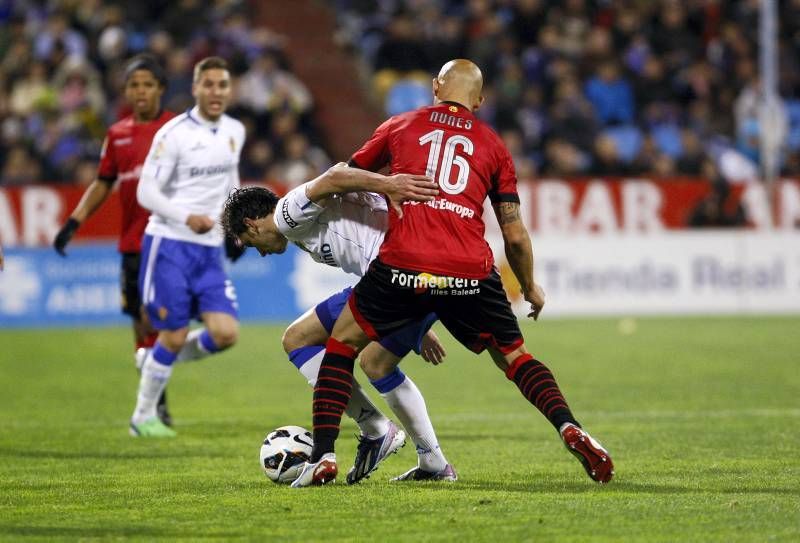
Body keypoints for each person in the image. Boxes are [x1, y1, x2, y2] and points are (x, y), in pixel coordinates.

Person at [292, 59, 614, 487]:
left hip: (403, 263)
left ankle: (324, 457)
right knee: (515, 358)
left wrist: (387, 185)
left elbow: (343, 176)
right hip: (470, 272)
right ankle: (569, 427)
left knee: (342, 344)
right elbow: (514, 236)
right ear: (479, 100)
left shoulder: (400, 125)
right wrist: (531, 286)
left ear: (435, 87)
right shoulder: (495, 146)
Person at [222, 165, 458, 483]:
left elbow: (336, 175)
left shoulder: (286, 213)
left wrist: (388, 184)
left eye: (252, 243)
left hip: (400, 273)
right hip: (397, 279)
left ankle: (385, 438)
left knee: (337, 351)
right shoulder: (299, 230)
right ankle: (415, 452)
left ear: (251, 224)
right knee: (333, 350)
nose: (261, 253)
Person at [53, 55, 176, 425]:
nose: (140, 91)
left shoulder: (178, 130)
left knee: (158, 320)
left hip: (170, 241)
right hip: (132, 245)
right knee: (141, 324)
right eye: (134, 85)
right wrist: (74, 221)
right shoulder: (118, 134)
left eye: (147, 84)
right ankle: (155, 405)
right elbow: (103, 181)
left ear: (160, 89)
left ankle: (154, 404)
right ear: (126, 91)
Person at [130, 56, 245, 437]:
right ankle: (142, 417)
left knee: (226, 333)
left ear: (230, 91)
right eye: (208, 84)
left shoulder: (234, 131)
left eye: (222, 85)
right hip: (170, 245)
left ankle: (155, 360)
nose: (216, 92)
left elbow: (230, 180)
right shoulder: (174, 134)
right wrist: (185, 216)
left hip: (209, 249)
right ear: (195, 88)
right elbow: (146, 191)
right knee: (175, 333)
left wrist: (236, 225)